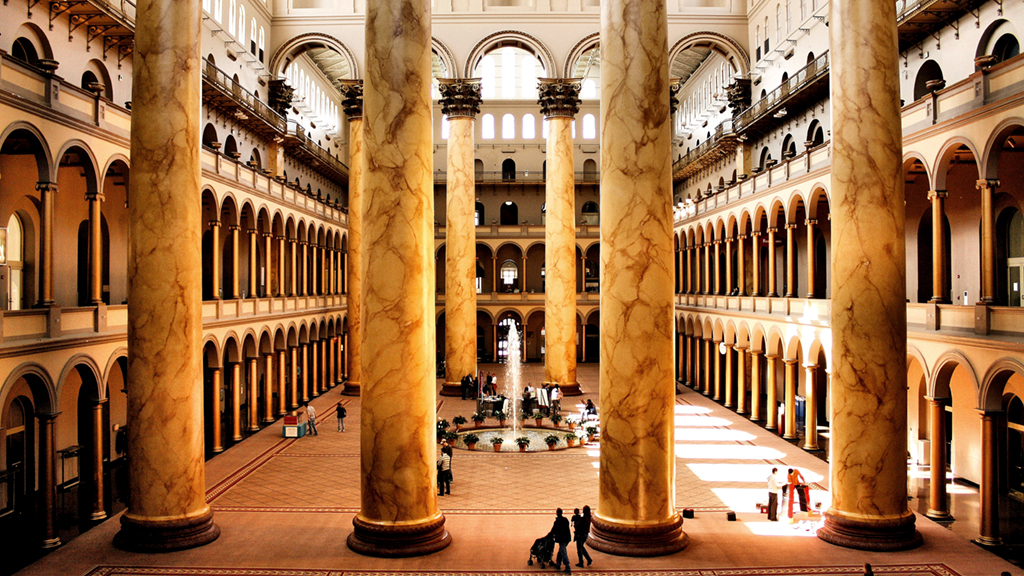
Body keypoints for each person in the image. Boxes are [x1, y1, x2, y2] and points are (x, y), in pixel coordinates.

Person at [550, 508, 572, 574]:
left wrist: (550, 535)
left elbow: (553, 531)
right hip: (567, 538)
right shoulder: (565, 520)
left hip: (562, 539)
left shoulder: (557, 522)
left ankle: (567, 567)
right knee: (560, 551)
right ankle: (558, 564)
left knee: (563, 552)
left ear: (557, 513)